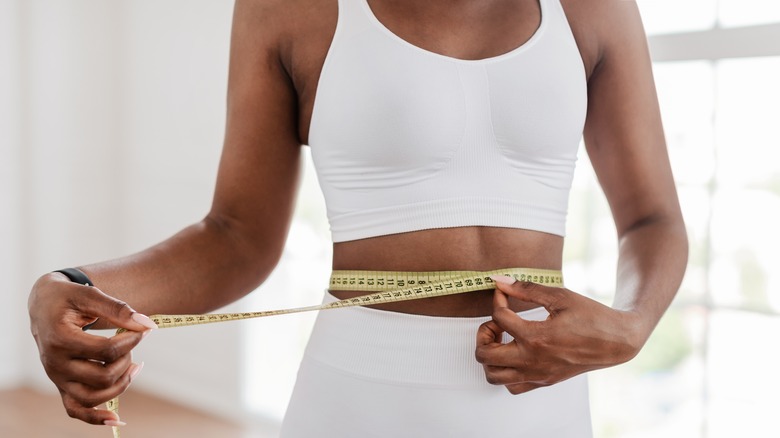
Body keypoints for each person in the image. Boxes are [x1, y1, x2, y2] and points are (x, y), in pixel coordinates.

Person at [28, 0, 688, 436]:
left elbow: (652, 218)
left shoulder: (593, 8)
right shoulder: (290, 8)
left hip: (541, 395)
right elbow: (236, 238)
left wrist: (632, 324)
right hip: (360, 395)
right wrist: (73, 285)